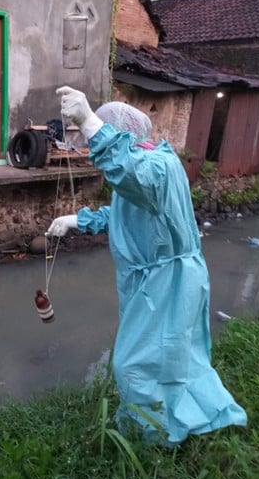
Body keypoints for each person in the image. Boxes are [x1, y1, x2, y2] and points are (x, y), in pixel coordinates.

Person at [47, 86, 247, 447]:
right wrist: (78, 220)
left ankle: (150, 438)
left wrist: (89, 121)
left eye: (99, 137)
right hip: (157, 279)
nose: (93, 147)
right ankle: (193, 414)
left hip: (167, 282)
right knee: (175, 357)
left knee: (134, 363)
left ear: (120, 135)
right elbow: (125, 213)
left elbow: (129, 173)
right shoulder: (152, 163)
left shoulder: (156, 168)